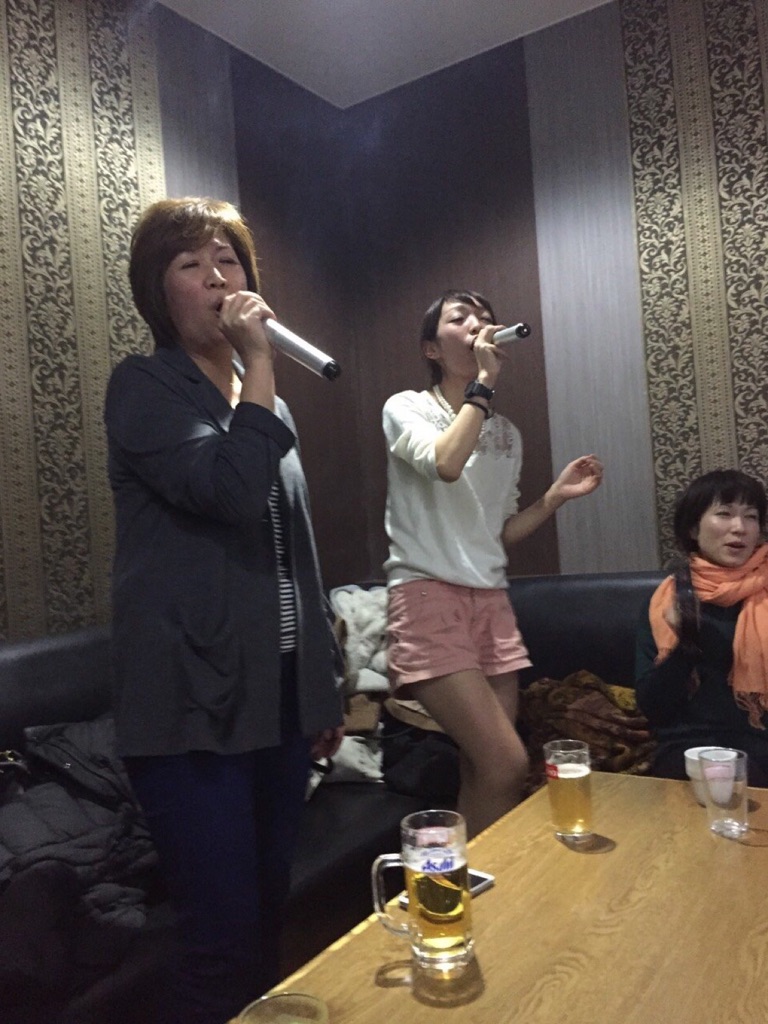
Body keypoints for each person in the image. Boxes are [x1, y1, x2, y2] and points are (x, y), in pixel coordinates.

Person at [104, 197, 344, 1024]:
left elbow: (297, 551)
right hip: (189, 706)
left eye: (229, 261)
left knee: (268, 915)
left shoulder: (265, 406)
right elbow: (231, 493)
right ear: (158, 291)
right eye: (191, 264)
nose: (217, 278)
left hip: (275, 700)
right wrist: (261, 366)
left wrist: (320, 687)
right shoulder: (144, 388)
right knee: (220, 939)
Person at [382, 288, 603, 838]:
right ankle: (468, 878)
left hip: (491, 600)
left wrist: (552, 499)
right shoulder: (406, 407)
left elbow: (499, 532)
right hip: (427, 595)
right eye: (460, 319)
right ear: (432, 349)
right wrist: (482, 385)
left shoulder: (506, 434)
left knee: (485, 766)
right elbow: (445, 463)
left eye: (485, 318)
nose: (478, 325)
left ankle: (475, 879)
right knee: (507, 761)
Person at [635, 468, 768, 786]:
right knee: (727, 780)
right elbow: (656, 708)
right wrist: (685, 644)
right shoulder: (668, 602)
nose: (739, 528)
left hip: (762, 742)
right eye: (724, 514)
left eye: (750, 517)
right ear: (694, 528)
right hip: (691, 748)